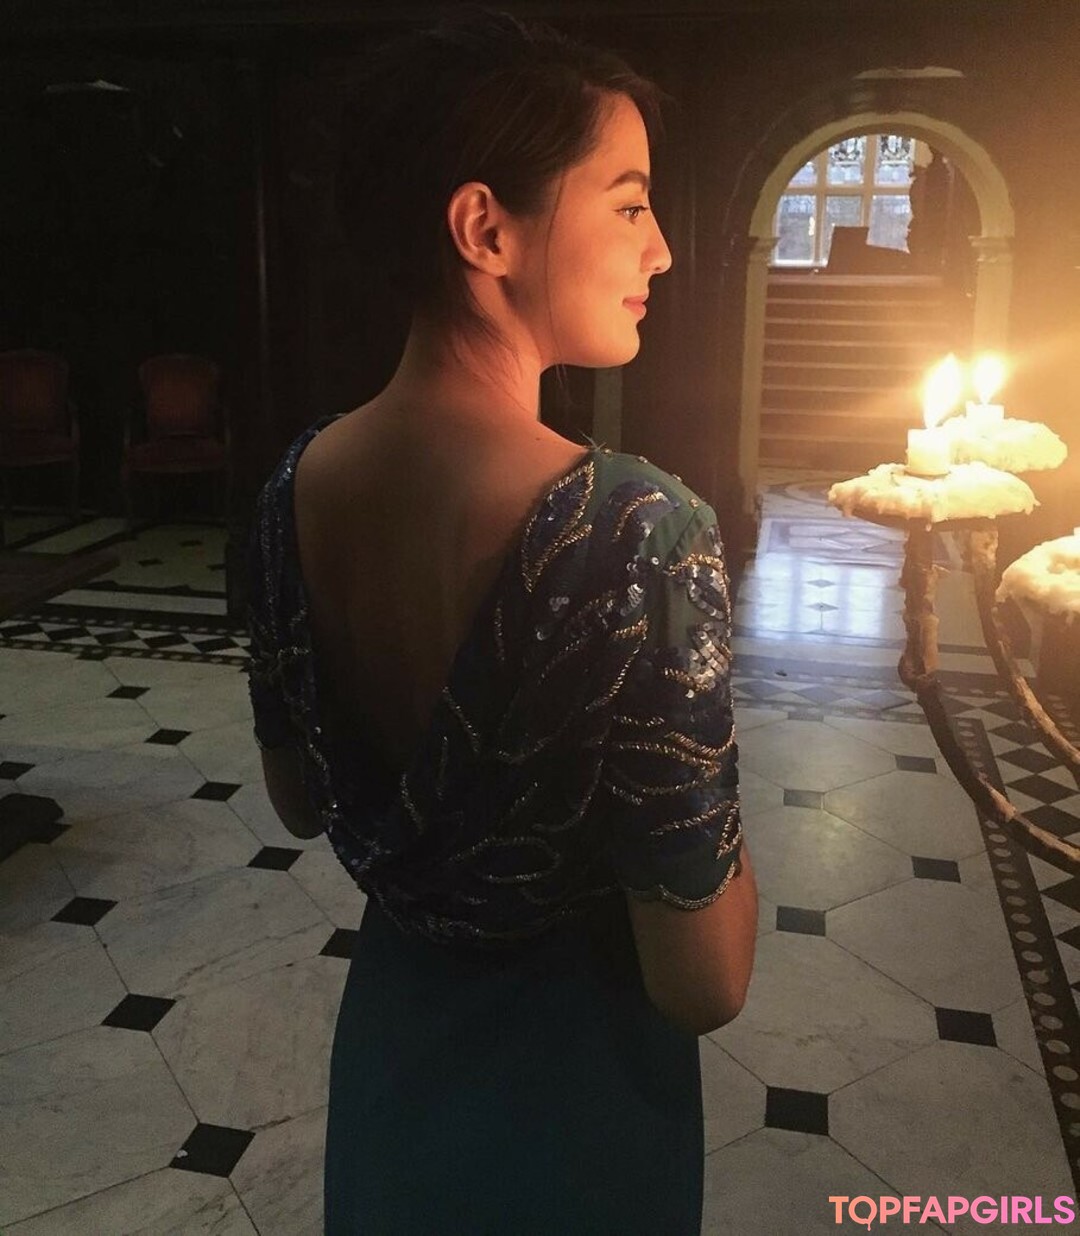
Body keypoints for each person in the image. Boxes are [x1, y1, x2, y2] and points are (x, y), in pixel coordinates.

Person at [246, 9, 757, 1232]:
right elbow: (702, 983)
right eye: (629, 205)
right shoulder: (640, 531)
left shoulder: (288, 495)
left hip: (397, 1051)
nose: (662, 250)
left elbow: (299, 800)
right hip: (580, 1098)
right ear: (487, 230)